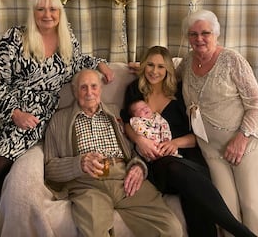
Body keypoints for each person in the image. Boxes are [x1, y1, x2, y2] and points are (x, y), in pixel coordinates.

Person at [0, 0, 114, 208]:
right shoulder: (14, 37)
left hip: (36, 115)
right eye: (40, 9)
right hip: (4, 109)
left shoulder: (66, 39)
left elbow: (77, 61)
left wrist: (100, 63)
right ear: (33, 12)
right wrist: (14, 113)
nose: (47, 14)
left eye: (52, 9)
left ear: (60, 13)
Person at [122, 46, 257, 237]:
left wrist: (176, 143)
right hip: (158, 162)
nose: (154, 71)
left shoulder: (180, 92)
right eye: (150, 65)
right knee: (175, 169)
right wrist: (139, 140)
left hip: (187, 155)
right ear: (144, 66)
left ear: (168, 69)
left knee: (193, 195)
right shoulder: (134, 90)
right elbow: (125, 122)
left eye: (161, 67)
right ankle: (242, 233)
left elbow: (198, 135)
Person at [44, 69, 183, 237]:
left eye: (94, 86)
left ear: (101, 89)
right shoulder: (59, 120)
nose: (89, 93)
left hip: (124, 178)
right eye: (83, 87)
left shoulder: (115, 112)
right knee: (95, 231)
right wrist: (79, 163)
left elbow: (134, 149)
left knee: (171, 229)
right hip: (87, 184)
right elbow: (49, 168)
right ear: (74, 91)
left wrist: (139, 166)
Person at [179, 9, 258, 237]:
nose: (199, 39)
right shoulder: (186, 63)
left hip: (248, 144)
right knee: (226, 212)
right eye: (193, 34)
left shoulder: (232, 60)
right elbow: (167, 77)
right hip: (212, 150)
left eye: (205, 33)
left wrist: (241, 138)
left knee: (255, 208)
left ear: (216, 35)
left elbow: (257, 106)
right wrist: (145, 67)